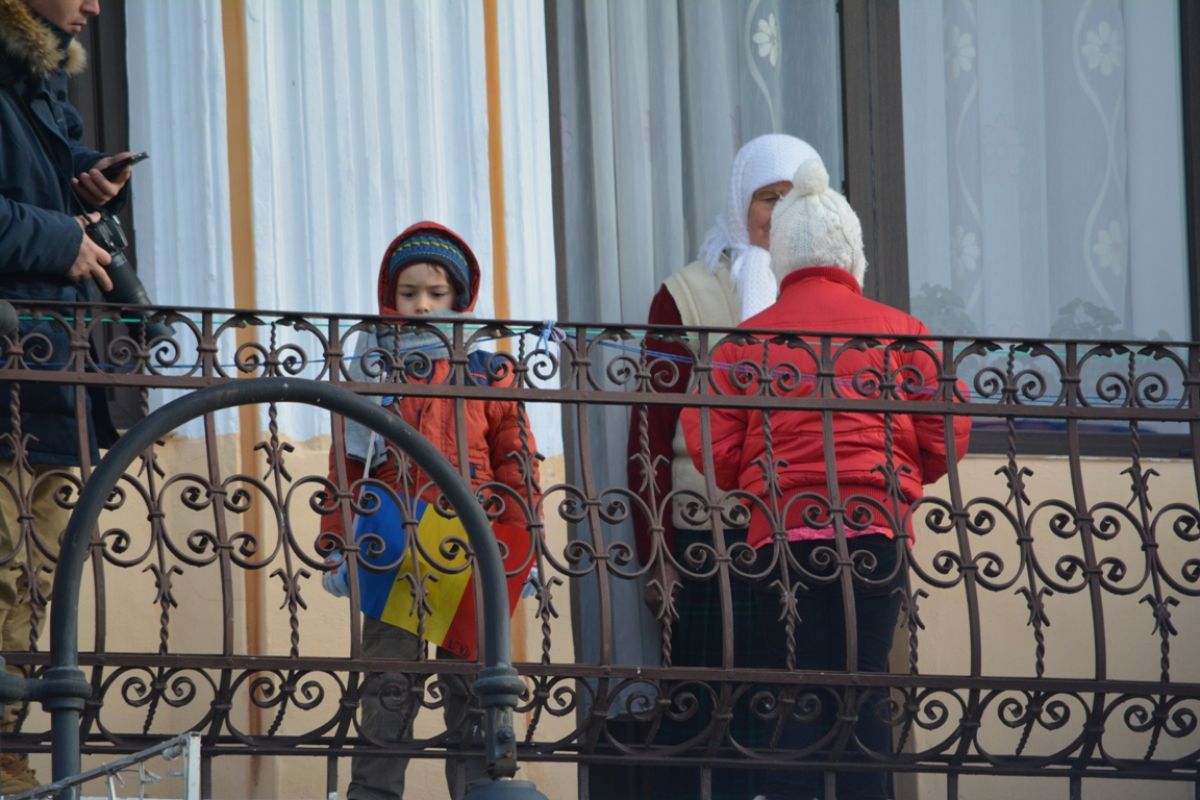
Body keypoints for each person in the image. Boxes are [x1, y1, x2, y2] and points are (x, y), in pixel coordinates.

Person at [680, 159, 971, 800]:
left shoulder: (745, 341)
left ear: (782, 257)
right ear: (851, 255)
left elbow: (712, 445)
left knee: (800, 682)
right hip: (875, 528)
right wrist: (901, 476)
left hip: (782, 533)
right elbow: (945, 434)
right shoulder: (904, 332)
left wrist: (753, 481)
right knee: (865, 680)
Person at [623, 134, 821, 800]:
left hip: (809, 537)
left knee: (801, 711)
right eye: (769, 197)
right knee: (708, 714)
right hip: (710, 537)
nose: (781, 213)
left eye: (797, 197)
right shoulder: (687, 295)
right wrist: (656, 554)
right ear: (742, 202)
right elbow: (649, 436)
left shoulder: (831, 294)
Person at [319, 221, 541, 800]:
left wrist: (524, 549)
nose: (421, 304)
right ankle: (373, 792)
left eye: (436, 294)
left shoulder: (489, 371)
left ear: (460, 299)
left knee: (473, 685)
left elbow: (517, 465)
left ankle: (478, 790)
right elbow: (347, 464)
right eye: (409, 292)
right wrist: (338, 543)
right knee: (388, 683)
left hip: (472, 545)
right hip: (394, 544)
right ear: (388, 297)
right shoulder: (372, 369)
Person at [0, 0, 137, 792]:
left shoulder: (40, 82)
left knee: (33, 579)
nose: (94, 6)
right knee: (3, 573)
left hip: (50, 378)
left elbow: (32, 186)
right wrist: (61, 238)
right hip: (12, 382)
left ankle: (6, 753)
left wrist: (87, 181)